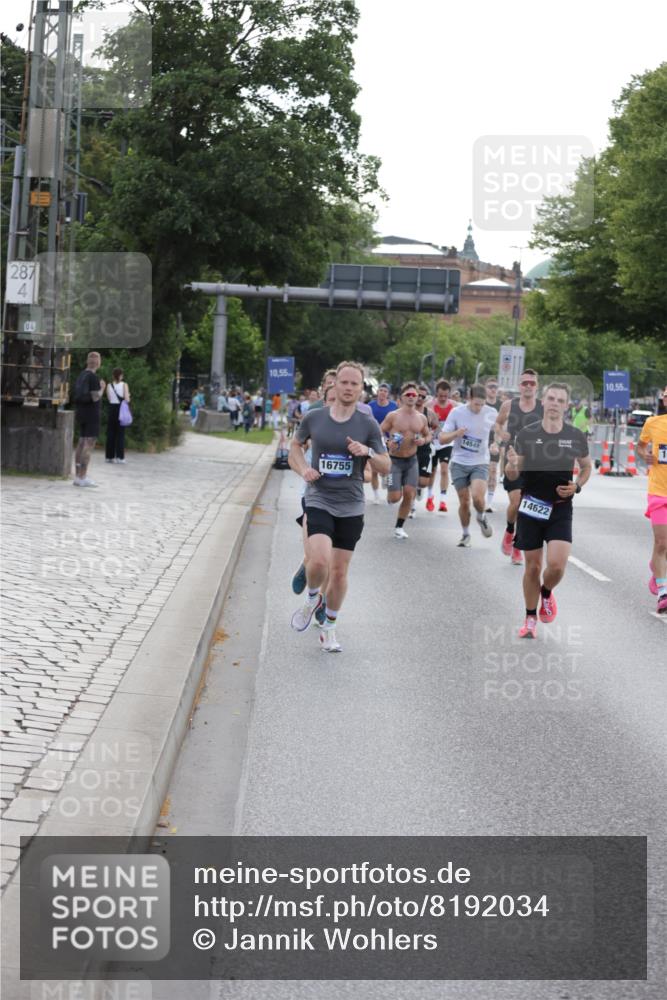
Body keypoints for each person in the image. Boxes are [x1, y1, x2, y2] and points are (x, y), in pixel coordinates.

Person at [288, 361, 390, 652]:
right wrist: (304, 469)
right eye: (343, 382)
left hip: (351, 505)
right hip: (319, 497)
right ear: (334, 385)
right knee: (319, 561)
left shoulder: (367, 424)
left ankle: (329, 629)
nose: (348, 388)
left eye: (354, 384)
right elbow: (295, 447)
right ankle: (312, 600)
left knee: (340, 572)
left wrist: (367, 451)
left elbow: (385, 466)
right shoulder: (314, 418)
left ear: (361, 389)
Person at [505, 382, 592, 638]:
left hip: (560, 508)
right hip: (531, 507)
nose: (554, 403)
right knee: (532, 567)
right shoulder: (527, 434)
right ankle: (530, 619)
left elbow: (586, 466)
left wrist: (577, 486)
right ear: (543, 402)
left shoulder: (575, 435)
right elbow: (514, 473)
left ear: (566, 406)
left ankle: (546, 592)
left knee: (556, 566)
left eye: (560, 400)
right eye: (551, 398)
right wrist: (511, 464)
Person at [494, 369, 543, 565]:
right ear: (519, 386)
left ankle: (517, 547)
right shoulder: (509, 405)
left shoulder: (543, 406)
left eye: (532, 383)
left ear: (537, 386)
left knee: (526, 506)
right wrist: (501, 434)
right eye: (525, 383)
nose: (528, 386)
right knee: (516, 503)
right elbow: (498, 424)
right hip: (512, 459)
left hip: (535, 461)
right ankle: (509, 530)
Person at [439, 383, 496, 547]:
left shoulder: (491, 413)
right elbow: (442, 438)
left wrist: (496, 443)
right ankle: (465, 535)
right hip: (459, 462)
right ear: (469, 399)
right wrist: (456, 434)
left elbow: (499, 431)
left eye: (482, 404)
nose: (479, 408)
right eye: (476, 404)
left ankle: (481, 516)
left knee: (478, 498)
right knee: (464, 502)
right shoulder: (457, 413)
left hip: (480, 462)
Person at [380, 382, 430, 539]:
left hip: (411, 461)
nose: (411, 397)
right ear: (401, 397)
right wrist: (387, 442)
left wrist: (423, 440)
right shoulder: (393, 416)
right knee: (394, 498)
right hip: (394, 460)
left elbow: (428, 435)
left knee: (409, 494)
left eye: (414, 395)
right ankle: (388, 481)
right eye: (408, 394)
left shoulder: (421, 418)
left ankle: (399, 527)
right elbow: (379, 431)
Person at [637, 399, 667, 614]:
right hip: (659, 492)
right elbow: (640, 446)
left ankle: (656, 566)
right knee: (662, 542)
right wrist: (645, 455)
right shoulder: (653, 422)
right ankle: (663, 592)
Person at [72, 351, 105, 487]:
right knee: (89, 444)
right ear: (98, 363)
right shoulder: (93, 377)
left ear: (87, 362)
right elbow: (95, 397)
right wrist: (102, 388)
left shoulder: (81, 375)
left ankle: (77, 476)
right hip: (92, 414)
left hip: (81, 412)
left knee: (81, 443)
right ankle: (83, 476)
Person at [426, 380, 455, 512]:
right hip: (433, 443)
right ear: (436, 394)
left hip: (446, 443)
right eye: (440, 396)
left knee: (444, 469)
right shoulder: (429, 406)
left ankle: (443, 500)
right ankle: (429, 496)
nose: (443, 398)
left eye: (445, 396)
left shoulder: (454, 407)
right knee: (432, 471)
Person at [368, 383, 397, 503]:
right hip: (373, 439)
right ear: (377, 392)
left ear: (388, 394)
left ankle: (389, 491)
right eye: (381, 390)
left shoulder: (393, 406)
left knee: (388, 469)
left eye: (385, 391)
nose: (383, 393)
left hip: (388, 440)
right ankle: (376, 496)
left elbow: (396, 423)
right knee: (374, 469)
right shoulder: (370, 406)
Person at [414, 385, 439, 516]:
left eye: (423, 396)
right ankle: (411, 507)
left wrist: (431, 434)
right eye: (418, 395)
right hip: (410, 448)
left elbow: (436, 426)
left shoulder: (429, 413)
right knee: (411, 478)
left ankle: (419, 488)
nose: (420, 398)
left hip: (424, 449)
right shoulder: (407, 410)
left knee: (423, 482)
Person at [105, 367, 131, 464]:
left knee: (110, 433)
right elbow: (127, 399)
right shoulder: (124, 385)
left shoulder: (109, 385)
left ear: (113, 375)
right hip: (121, 410)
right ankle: (120, 457)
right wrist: (129, 396)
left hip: (112, 409)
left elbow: (109, 399)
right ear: (121, 375)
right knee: (120, 434)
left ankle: (109, 457)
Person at [484, 377, 501, 511]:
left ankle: (489, 502)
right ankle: (478, 496)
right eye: (490, 386)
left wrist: (497, 442)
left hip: (494, 440)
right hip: (480, 440)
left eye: (495, 386)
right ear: (486, 389)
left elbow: (504, 426)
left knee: (493, 470)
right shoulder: (481, 404)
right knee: (480, 471)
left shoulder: (502, 406)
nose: (493, 389)